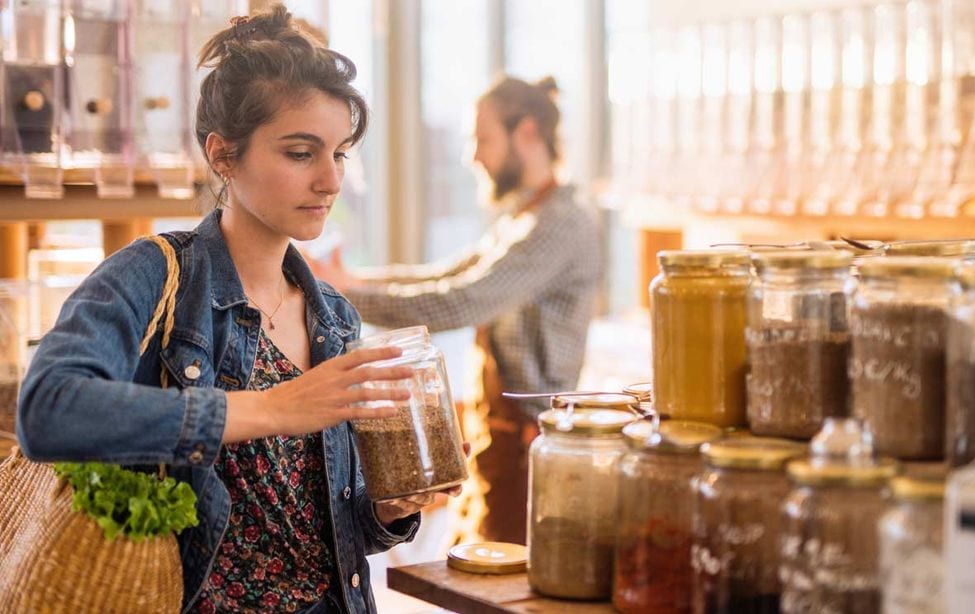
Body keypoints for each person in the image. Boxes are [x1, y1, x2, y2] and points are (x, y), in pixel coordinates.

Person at [16, 6, 458, 613]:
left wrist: (388, 511)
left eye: (340, 154)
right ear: (223, 155)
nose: (330, 180)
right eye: (302, 153)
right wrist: (270, 408)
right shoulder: (154, 274)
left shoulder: (333, 316)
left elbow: (332, 530)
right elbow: (46, 411)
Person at [310, 76, 603, 545]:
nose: (473, 155)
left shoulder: (560, 223)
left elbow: (460, 299)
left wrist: (340, 292)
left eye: (482, 138)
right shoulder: (524, 217)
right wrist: (352, 282)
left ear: (526, 133)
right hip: (501, 438)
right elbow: (445, 274)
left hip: (530, 445)